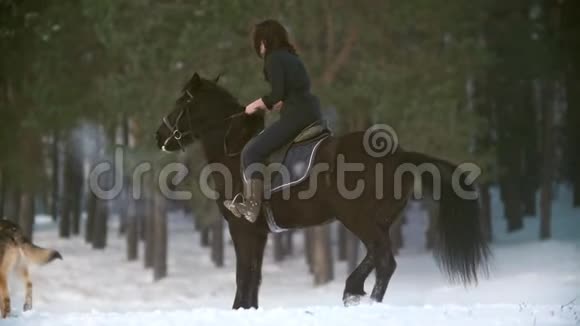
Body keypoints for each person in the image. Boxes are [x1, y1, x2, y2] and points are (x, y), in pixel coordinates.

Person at [224, 19, 323, 223]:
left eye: (258, 41)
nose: (258, 47)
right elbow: (292, 91)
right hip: (310, 112)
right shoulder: (291, 57)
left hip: (297, 115)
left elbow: (277, 93)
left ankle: (252, 206)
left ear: (264, 41)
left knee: (252, 151)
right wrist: (280, 103)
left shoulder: (274, 58)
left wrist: (256, 104)